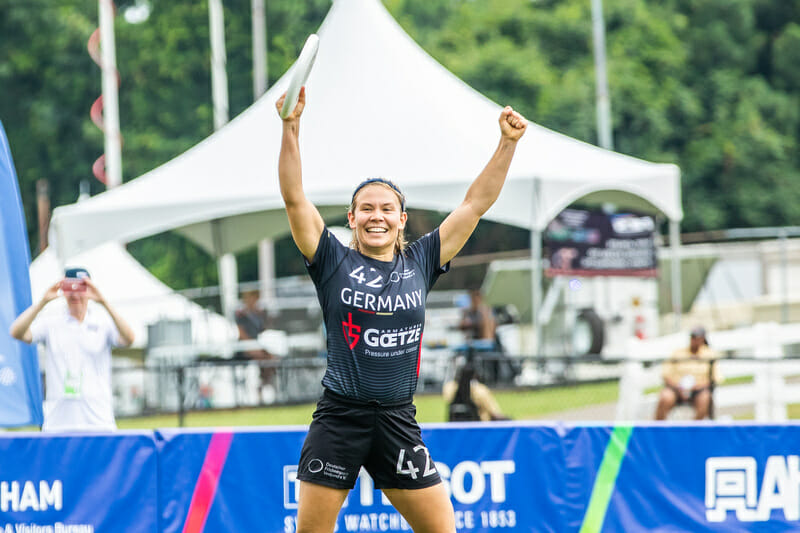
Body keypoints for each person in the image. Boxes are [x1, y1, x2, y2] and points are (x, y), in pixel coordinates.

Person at [276, 86, 527, 533]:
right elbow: (295, 198)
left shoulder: (422, 260)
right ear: (351, 219)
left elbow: (475, 204)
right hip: (339, 418)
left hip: (397, 419)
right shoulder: (332, 260)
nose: (377, 216)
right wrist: (290, 126)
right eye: (366, 209)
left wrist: (507, 143)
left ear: (401, 219)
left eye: (387, 208)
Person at [8, 267, 134, 431]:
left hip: (98, 420)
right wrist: (43, 302)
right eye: (69, 288)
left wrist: (103, 301)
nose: (75, 294)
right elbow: (16, 332)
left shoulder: (103, 322)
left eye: (81, 288)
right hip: (59, 422)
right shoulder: (51, 322)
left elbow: (129, 338)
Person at [655, 326, 721, 420]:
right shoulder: (678, 353)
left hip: (699, 389)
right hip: (676, 388)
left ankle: (692, 431)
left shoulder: (709, 354)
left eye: (698, 338)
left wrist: (696, 387)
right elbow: (665, 374)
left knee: (705, 399)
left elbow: (715, 378)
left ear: (703, 339)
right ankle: (658, 430)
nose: (695, 341)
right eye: (693, 337)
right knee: (665, 397)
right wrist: (679, 388)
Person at [234, 288, 277, 393]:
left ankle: (264, 382)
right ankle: (261, 384)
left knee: (272, 358)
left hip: (256, 345)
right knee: (264, 358)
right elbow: (241, 334)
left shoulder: (257, 314)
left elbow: (263, 330)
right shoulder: (241, 314)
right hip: (245, 348)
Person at [442, 362, 510, 422]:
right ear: (475, 375)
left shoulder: (449, 388)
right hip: (481, 427)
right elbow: (495, 414)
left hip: (455, 426)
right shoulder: (480, 391)